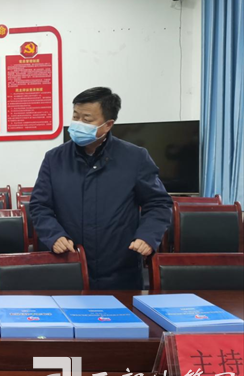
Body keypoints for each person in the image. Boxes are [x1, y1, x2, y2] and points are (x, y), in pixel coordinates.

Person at [30, 87, 173, 289]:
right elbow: (39, 206)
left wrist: (148, 236)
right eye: (75, 116)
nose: (78, 124)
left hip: (120, 269)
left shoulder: (135, 158)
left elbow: (158, 204)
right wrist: (54, 236)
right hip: (68, 266)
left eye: (87, 119)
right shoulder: (54, 159)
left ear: (108, 125)